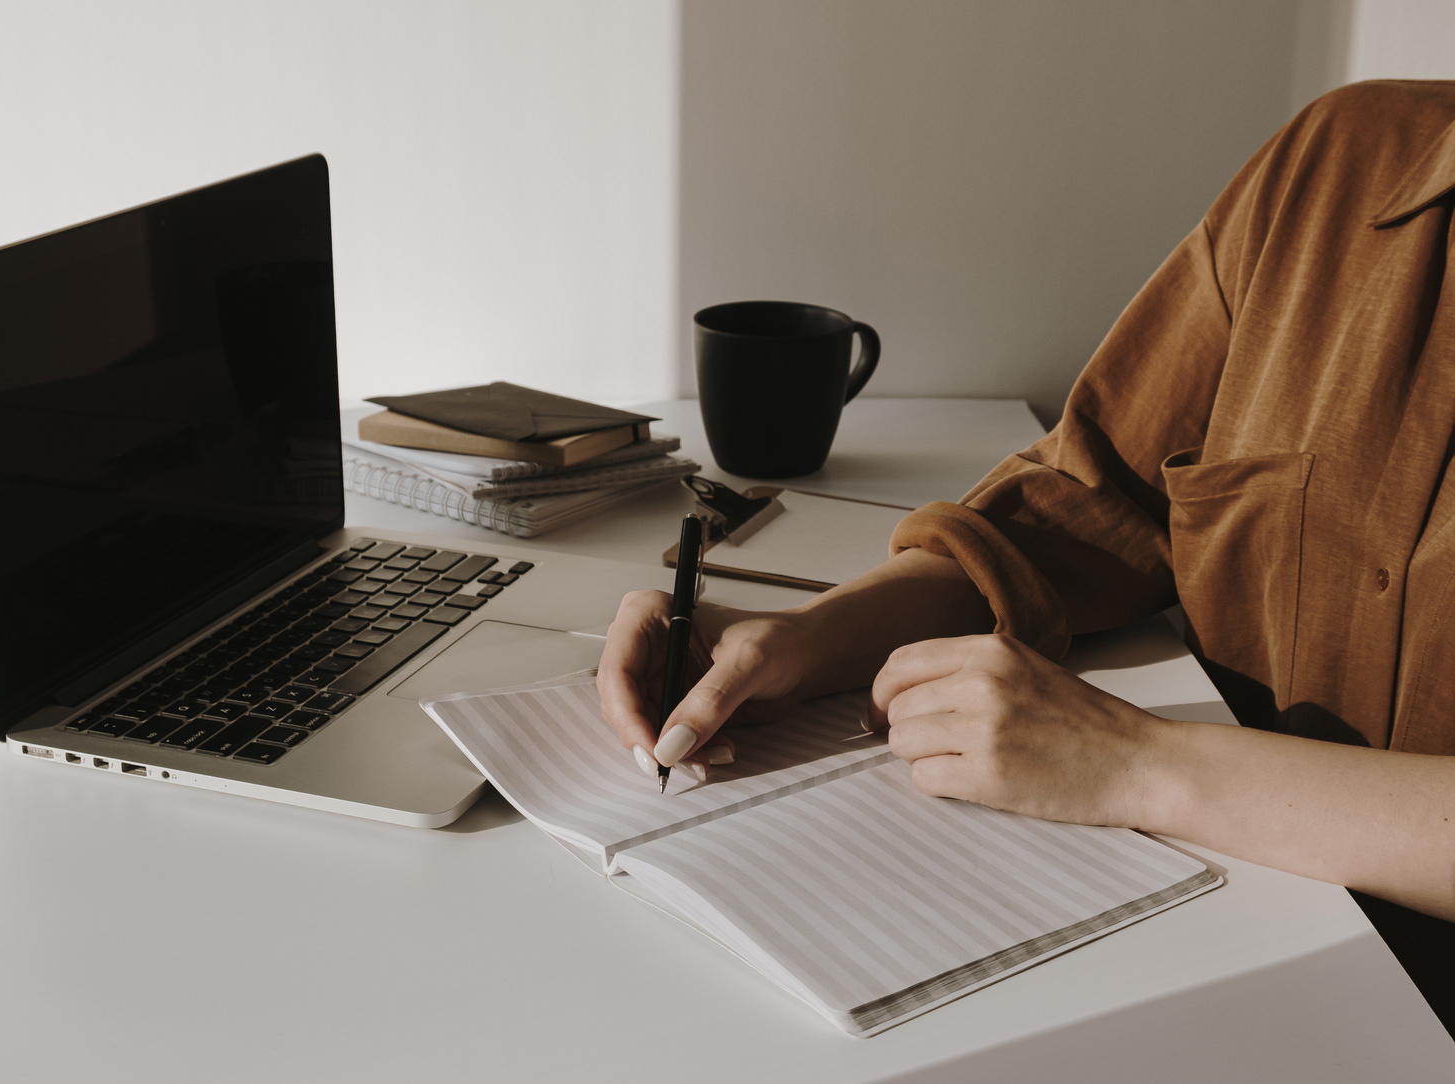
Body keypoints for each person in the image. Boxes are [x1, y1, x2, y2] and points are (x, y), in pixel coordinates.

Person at [597, 80, 1455, 1030]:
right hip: (1207, 926)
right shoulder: (1337, 163)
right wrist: (811, 638)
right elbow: (1094, 496)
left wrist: (1134, 763)